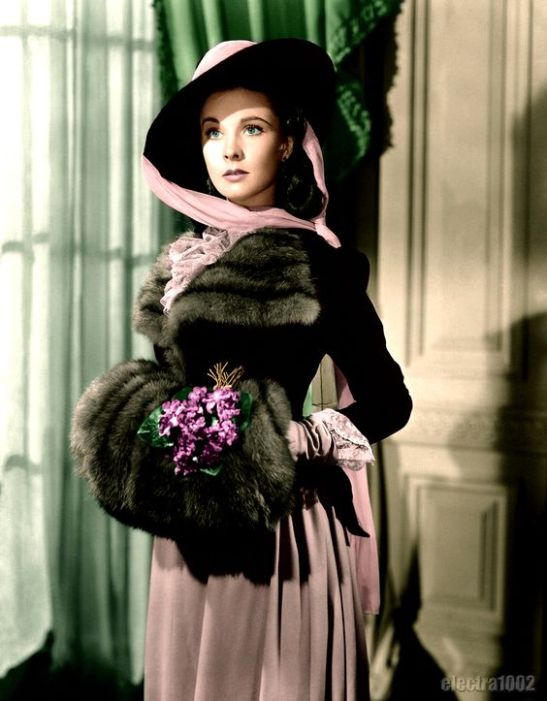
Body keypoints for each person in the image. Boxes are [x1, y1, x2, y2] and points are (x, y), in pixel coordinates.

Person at [71, 39, 412, 701]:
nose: (228, 150)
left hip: (280, 523)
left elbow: (389, 399)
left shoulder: (319, 264)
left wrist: (301, 437)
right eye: (212, 132)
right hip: (189, 523)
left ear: (287, 143)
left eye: (250, 129)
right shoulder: (187, 261)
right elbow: (181, 382)